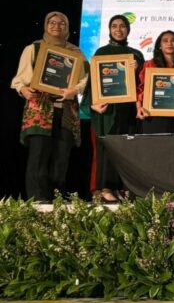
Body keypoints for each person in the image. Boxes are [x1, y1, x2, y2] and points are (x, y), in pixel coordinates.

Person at [10, 11, 88, 201]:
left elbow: (86, 79)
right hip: (40, 109)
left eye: (62, 23)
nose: (56, 26)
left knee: (61, 158)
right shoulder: (34, 48)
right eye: (52, 22)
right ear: (46, 25)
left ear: (67, 28)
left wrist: (74, 90)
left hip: (66, 111)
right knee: (38, 157)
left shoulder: (76, 52)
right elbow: (19, 79)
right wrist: (23, 90)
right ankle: (38, 201)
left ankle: (56, 201)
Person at [82, 14, 144, 202]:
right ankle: (105, 187)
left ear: (128, 29)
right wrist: (93, 104)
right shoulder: (101, 52)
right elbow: (93, 82)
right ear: (109, 30)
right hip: (107, 109)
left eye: (122, 26)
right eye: (114, 26)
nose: (118, 29)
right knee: (107, 148)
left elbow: (143, 84)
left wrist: (137, 68)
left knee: (125, 149)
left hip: (128, 109)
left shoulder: (136, 55)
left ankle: (121, 188)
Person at [137, 31, 174, 134]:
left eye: (173, 41)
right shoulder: (149, 65)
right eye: (165, 41)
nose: (169, 43)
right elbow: (140, 89)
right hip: (153, 115)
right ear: (159, 46)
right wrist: (139, 107)